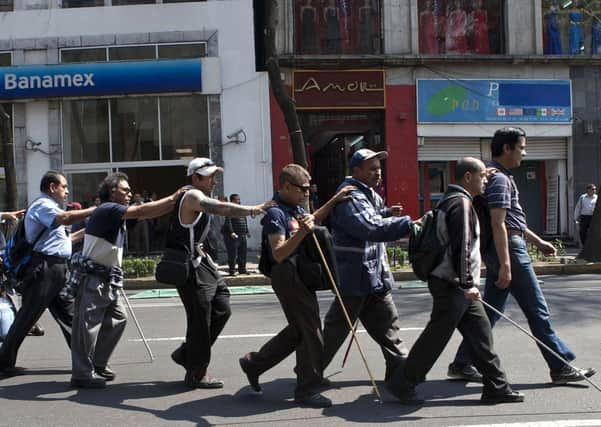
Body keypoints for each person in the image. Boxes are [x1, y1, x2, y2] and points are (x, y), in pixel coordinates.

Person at [448, 128, 596, 385]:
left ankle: (462, 363)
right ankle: (560, 367)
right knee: (537, 310)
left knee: (490, 314)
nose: (524, 153)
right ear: (507, 149)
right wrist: (506, 264)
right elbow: (499, 224)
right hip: (509, 251)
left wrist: (538, 242)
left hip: (507, 247)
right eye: (522, 147)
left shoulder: (495, 176)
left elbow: (510, 220)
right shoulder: (499, 180)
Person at [389, 157, 524, 404]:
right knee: (436, 336)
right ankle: (403, 382)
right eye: (482, 176)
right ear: (468, 177)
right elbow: (460, 247)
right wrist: (467, 284)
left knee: (481, 334)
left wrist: (466, 284)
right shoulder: (461, 204)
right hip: (452, 285)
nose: (486, 181)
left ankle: (497, 386)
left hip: (455, 284)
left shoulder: (452, 199)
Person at [238, 164, 354, 408]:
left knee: (299, 330)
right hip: (287, 274)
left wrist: (333, 200)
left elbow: (311, 220)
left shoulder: (295, 207)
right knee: (311, 330)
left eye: (308, 188)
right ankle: (307, 390)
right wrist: (302, 232)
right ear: (287, 186)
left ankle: (254, 363)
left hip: (301, 273)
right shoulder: (275, 213)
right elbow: (278, 253)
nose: (306, 193)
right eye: (302, 188)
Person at [70, 173, 185, 388]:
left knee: (118, 318)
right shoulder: (107, 209)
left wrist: (174, 203)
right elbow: (142, 210)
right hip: (96, 277)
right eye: (126, 190)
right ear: (112, 191)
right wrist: (174, 197)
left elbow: (146, 214)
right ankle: (82, 374)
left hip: (109, 277)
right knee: (86, 327)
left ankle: (98, 363)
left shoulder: (116, 214)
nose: (130, 193)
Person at [169, 157, 273, 389]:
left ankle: (186, 354)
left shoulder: (195, 195)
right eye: (209, 176)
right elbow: (221, 208)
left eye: (215, 175)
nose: (214, 180)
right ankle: (196, 372)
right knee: (200, 321)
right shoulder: (193, 196)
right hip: (190, 267)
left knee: (222, 307)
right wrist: (255, 209)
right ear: (195, 177)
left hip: (202, 262)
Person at [321, 149, 413, 387]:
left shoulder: (370, 194)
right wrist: (406, 224)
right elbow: (368, 227)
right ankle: (307, 374)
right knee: (335, 332)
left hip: (375, 276)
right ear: (356, 171)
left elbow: (372, 217)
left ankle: (400, 378)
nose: (377, 173)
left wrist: (386, 213)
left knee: (389, 328)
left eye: (379, 168)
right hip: (356, 276)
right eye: (371, 169)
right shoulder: (350, 196)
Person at [0, 171, 95, 377]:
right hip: (44, 269)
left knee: (70, 316)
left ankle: (86, 361)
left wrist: (89, 230)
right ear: (52, 187)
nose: (67, 191)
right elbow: (65, 218)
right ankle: (3, 362)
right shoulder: (44, 206)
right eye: (64, 186)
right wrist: (93, 210)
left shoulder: (51, 209)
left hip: (56, 268)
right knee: (28, 316)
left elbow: (63, 243)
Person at [222, 194, 250, 276]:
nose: (239, 201)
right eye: (237, 199)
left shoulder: (241, 209)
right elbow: (228, 221)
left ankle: (242, 269)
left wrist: (247, 231)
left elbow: (244, 220)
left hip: (242, 235)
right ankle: (232, 270)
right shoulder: (229, 209)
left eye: (239, 199)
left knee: (243, 253)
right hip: (233, 236)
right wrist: (231, 232)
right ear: (232, 200)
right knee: (233, 254)